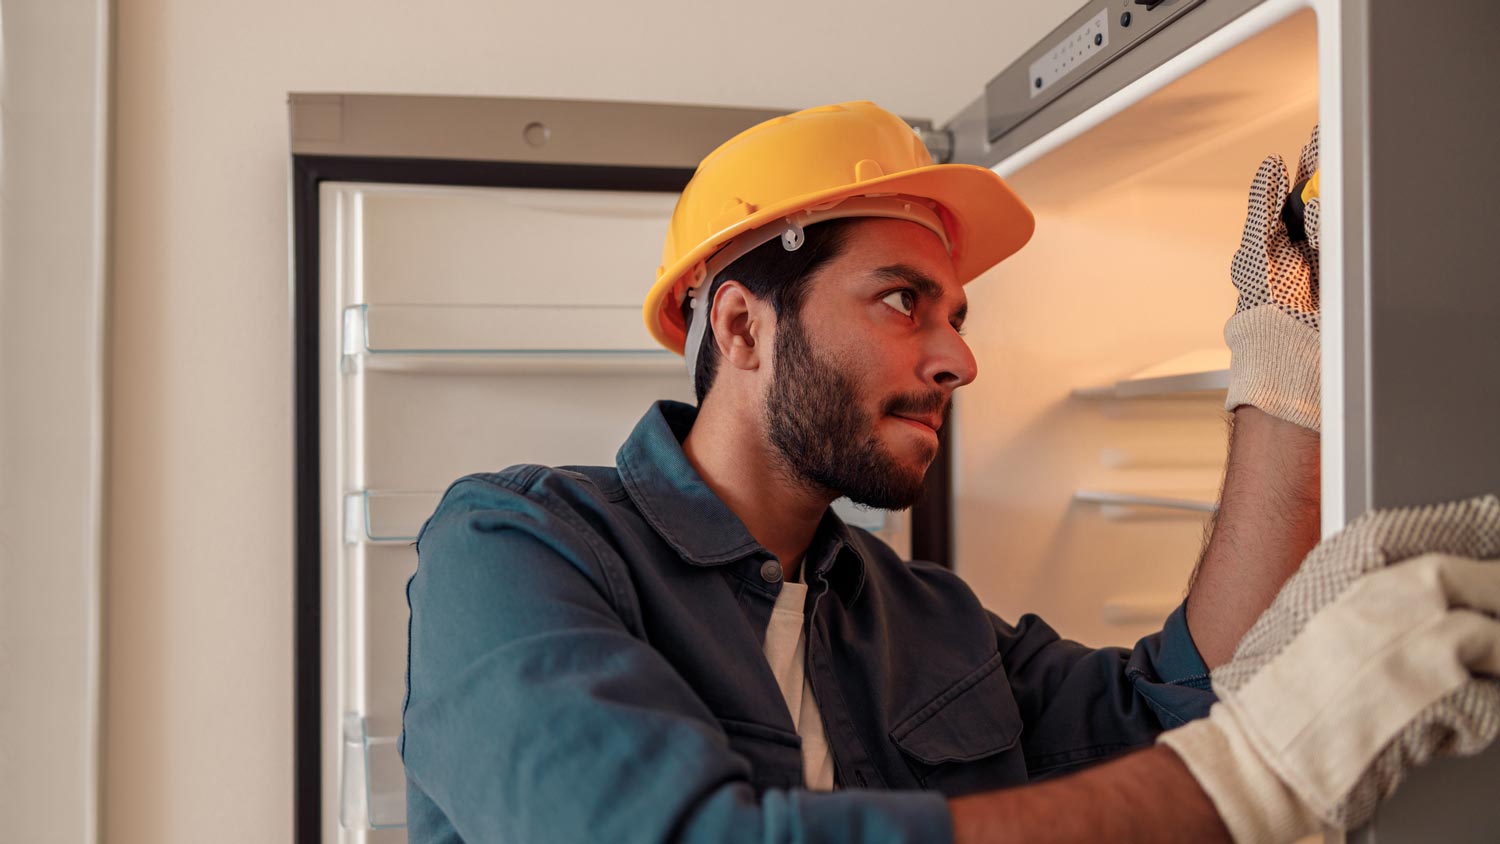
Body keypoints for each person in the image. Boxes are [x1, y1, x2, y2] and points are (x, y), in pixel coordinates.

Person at [400, 102, 1500, 843]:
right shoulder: (513, 548)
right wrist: (1255, 775)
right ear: (740, 325)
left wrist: (1283, 357)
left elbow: (1176, 706)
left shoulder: (924, 620)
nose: (958, 357)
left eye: (957, 313)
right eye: (901, 301)